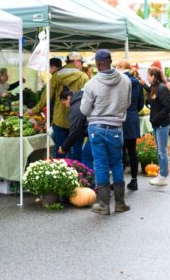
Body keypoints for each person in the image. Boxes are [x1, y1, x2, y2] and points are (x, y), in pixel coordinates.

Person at [80, 50, 131, 215]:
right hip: (116, 127)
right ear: (110, 61)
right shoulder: (125, 80)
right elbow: (127, 103)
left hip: (97, 128)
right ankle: (120, 203)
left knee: (101, 164)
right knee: (117, 163)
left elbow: (84, 110)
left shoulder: (91, 84)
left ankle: (103, 205)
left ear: (98, 63)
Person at [29, 53, 89, 157]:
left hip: (59, 120)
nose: (82, 65)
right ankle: (75, 167)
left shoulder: (56, 76)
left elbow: (46, 97)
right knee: (76, 151)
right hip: (77, 120)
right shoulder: (83, 77)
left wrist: (34, 110)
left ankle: (60, 167)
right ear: (76, 62)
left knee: (60, 150)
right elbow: (87, 98)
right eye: (81, 62)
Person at [115, 60, 144, 191]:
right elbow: (141, 104)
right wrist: (133, 111)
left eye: (116, 67)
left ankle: (118, 181)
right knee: (132, 151)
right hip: (132, 118)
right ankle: (134, 180)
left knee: (119, 151)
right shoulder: (137, 82)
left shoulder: (120, 81)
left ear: (121, 68)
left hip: (120, 117)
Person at [147, 65, 170, 187]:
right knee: (160, 150)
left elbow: (167, 107)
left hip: (162, 123)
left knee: (162, 151)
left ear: (153, 76)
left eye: (148, 76)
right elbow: (153, 101)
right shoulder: (155, 87)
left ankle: (163, 176)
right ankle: (161, 174)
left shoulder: (162, 88)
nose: (147, 78)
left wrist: (155, 118)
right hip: (157, 123)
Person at [57, 90, 92, 169]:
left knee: (86, 159)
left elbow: (74, 131)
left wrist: (64, 147)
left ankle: (89, 177)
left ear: (68, 98)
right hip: (108, 129)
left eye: (65, 103)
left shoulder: (76, 108)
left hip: (95, 132)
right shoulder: (82, 99)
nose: (66, 106)